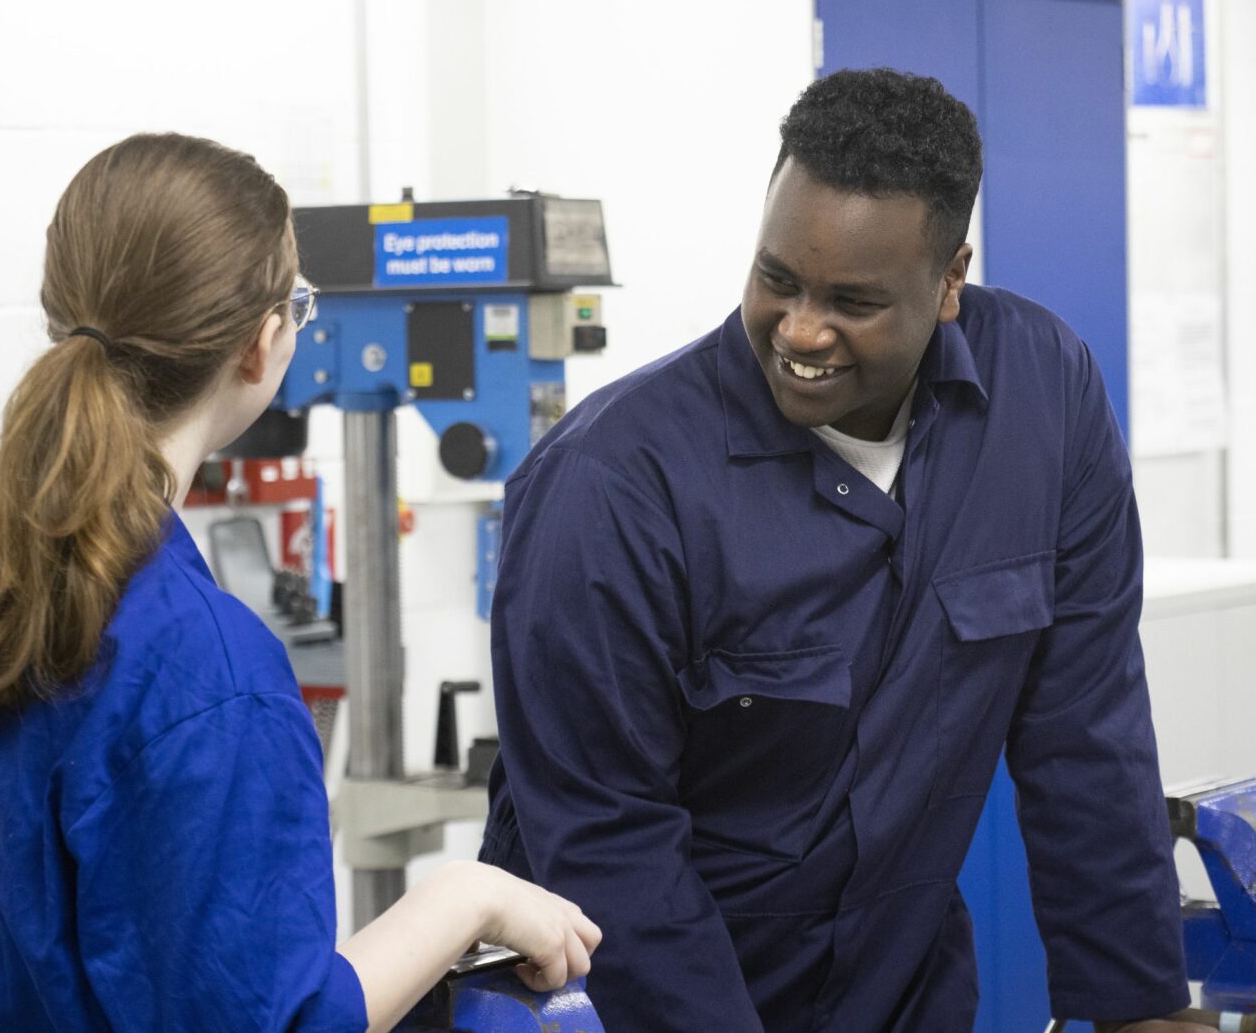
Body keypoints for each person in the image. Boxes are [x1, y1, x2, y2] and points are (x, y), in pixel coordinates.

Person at [479, 70, 1199, 1030]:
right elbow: (608, 845)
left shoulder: (1044, 396)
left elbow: (1086, 730)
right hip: (652, 998)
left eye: (853, 302)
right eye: (777, 279)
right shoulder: (611, 487)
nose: (802, 329)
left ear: (951, 281)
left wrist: (1134, 1006)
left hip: (900, 986)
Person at [0, 133, 600, 1032]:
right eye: (301, 308)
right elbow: (275, 1019)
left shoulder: (12, 577)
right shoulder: (211, 677)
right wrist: (463, 898)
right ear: (263, 342)